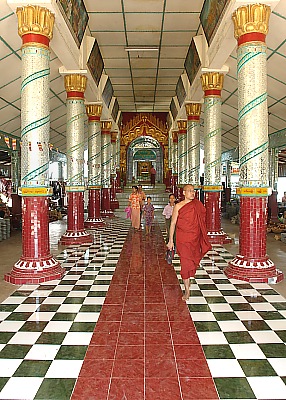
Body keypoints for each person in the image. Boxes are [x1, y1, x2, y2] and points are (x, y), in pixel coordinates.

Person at [167, 184, 211, 301]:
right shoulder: (178, 206)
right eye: (190, 191)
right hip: (183, 240)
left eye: (193, 191)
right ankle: (187, 290)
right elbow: (173, 223)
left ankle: (188, 280)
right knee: (185, 264)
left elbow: (202, 220)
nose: (192, 193)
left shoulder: (197, 205)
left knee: (193, 261)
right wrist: (171, 240)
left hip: (195, 239)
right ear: (184, 193)